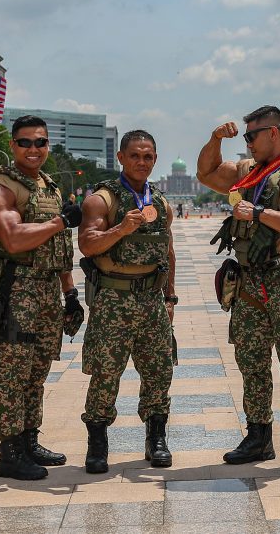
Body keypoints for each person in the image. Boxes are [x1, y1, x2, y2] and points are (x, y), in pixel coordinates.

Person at [196, 105, 280, 475]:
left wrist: (258, 214)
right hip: (250, 281)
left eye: (251, 136)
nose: (248, 143)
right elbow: (206, 172)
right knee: (251, 361)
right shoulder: (247, 172)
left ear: (273, 133)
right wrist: (215, 139)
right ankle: (258, 436)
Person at [0, 115, 83, 480]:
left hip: (47, 289)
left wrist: (70, 293)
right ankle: (9, 450)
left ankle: (28, 438)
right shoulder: (1, 187)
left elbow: (60, 248)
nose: (33, 149)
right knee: (13, 371)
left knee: (38, 370)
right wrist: (60, 222)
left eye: (40, 142)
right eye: (25, 142)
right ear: (13, 146)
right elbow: (11, 238)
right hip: (18, 289)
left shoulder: (49, 186)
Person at [78, 130, 177, 474]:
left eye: (148, 156)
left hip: (152, 299)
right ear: (120, 158)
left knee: (159, 372)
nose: (142, 162)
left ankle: (156, 438)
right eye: (135, 155)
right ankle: (98, 442)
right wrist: (120, 229)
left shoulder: (160, 203)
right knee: (105, 373)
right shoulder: (101, 200)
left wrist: (170, 297)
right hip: (114, 298)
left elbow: (169, 250)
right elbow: (88, 245)